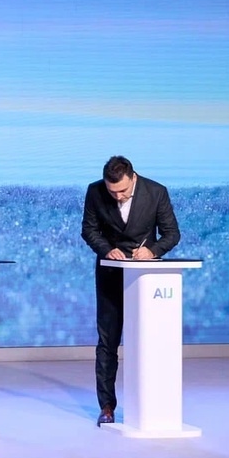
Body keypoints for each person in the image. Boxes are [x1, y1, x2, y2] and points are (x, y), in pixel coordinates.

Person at [80, 155, 180, 426]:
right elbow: (89, 230)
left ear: (133, 178)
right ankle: (107, 406)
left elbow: (172, 233)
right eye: (112, 191)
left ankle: (152, 401)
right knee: (108, 341)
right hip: (110, 272)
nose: (118, 196)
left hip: (145, 276)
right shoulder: (95, 191)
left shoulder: (156, 192)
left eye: (123, 191)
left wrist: (152, 251)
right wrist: (106, 249)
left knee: (149, 339)